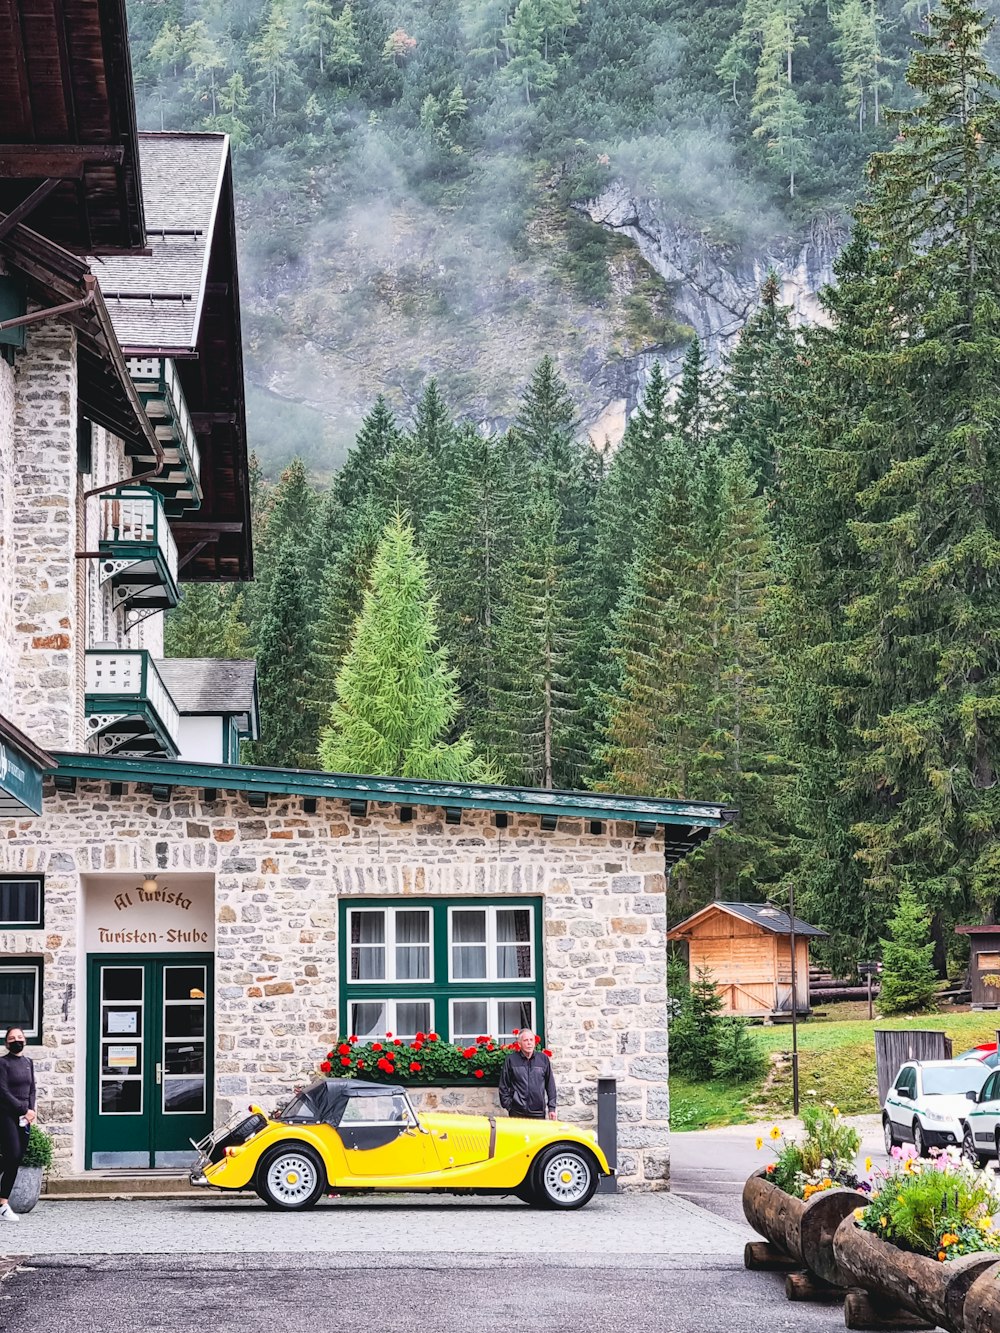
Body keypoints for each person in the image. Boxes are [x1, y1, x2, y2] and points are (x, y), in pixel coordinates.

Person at [0, 1028, 36, 1223]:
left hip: (24, 1117)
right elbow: (3, 1091)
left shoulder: (29, 1063)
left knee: (15, 1159)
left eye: (20, 1038)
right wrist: (24, 1109)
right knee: (12, 1155)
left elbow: (32, 1089)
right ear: (6, 1043)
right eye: (12, 1038)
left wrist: (31, 1110)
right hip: (6, 1115)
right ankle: (3, 1204)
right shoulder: (3, 1063)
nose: (16, 1041)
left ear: (25, 1041)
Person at [498, 1028, 556, 1120]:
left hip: (538, 1112)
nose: (529, 1043)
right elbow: (503, 1085)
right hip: (517, 1112)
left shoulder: (543, 1059)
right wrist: (509, 1106)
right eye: (526, 1040)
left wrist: (552, 1108)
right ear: (520, 1044)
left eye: (531, 1040)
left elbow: (550, 1085)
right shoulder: (511, 1060)